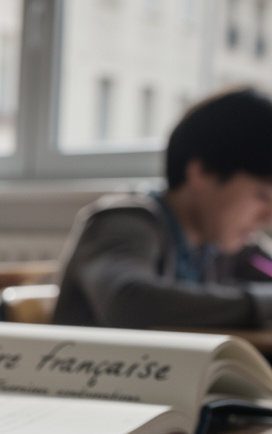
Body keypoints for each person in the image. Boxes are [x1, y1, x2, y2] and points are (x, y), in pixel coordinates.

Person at [53, 86, 272, 328]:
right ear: (202, 172)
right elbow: (128, 304)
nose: (268, 217)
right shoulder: (124, 221)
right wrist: (258, 304)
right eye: (262, 196)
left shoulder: (224, 245)